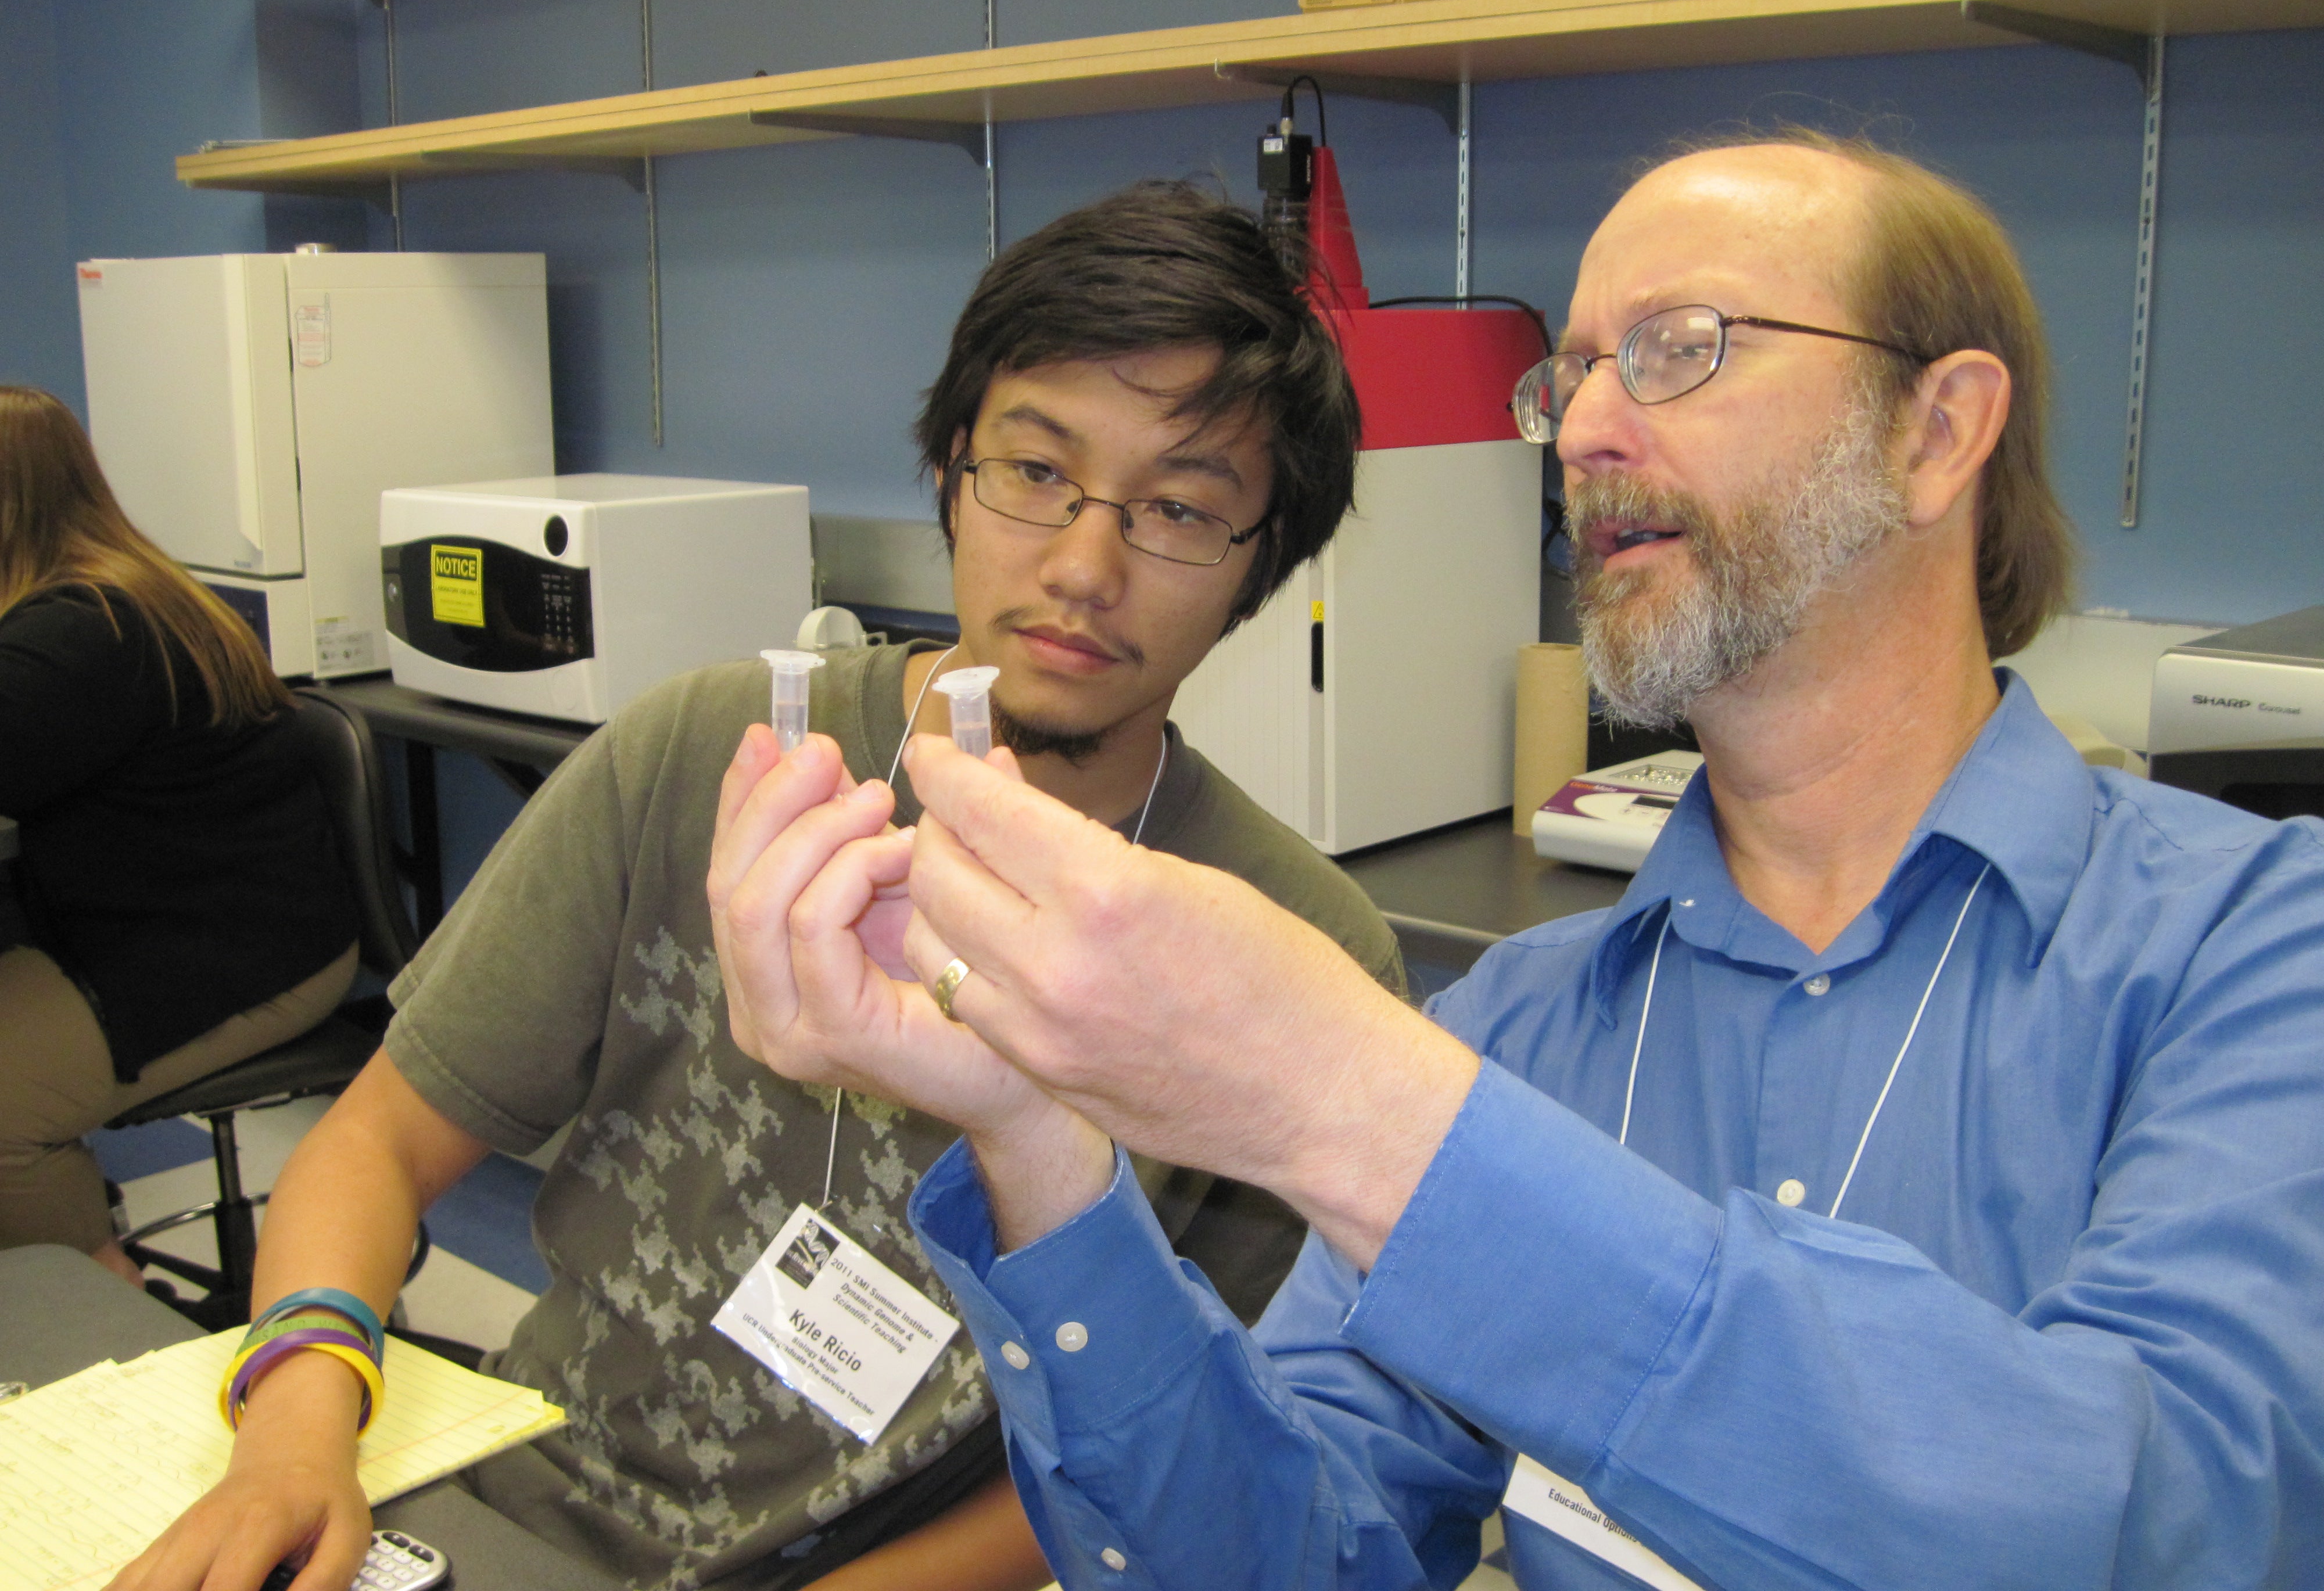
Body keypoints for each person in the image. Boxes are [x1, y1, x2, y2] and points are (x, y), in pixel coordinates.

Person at [716, 134, 2324, 1588]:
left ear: (1936, 429)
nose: (1586, 433)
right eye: (1567, 380)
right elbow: (1283, 1565)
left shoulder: (2253, 948)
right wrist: (1037, 1134)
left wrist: (1349, 1105)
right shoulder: (1524, 1026)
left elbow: (2181, 1523)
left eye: (1679, 349)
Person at [115, 181, 1405, 1591]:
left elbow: (1166, 1452)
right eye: (1036, 472)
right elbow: (373, 1141)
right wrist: (293, 1438)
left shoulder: (1296, 956)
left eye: (1178, 509)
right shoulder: (699, 759)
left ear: (1258, 566)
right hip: (522, 1506)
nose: (1084, 566)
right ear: (949, 470)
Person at [0, 385, 357, 1281]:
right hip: (188, 921)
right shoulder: (115, 588)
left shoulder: (80, 631)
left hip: (232, 951)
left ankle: (105, 1321)